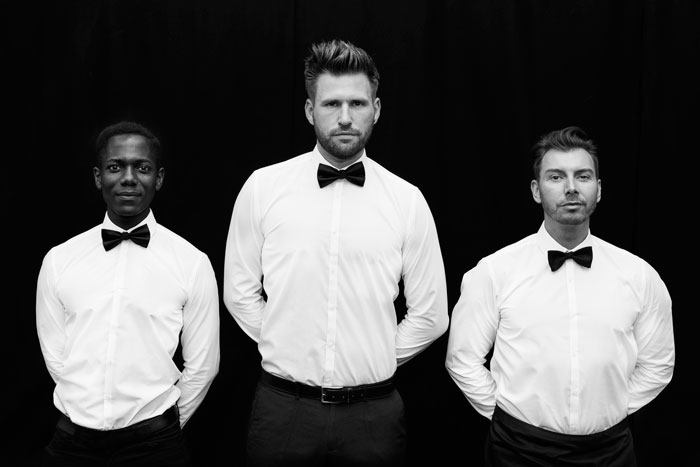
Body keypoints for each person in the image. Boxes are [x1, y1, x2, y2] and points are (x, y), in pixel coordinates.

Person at [223, 39, 449, 466]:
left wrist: (372, 354)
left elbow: (431, 314)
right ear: (310, 110)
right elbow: (239, 292)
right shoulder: (263, 187)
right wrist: (285, 342)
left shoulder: (407, 200)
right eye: (331, 104)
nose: (345, 117)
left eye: (357, 104)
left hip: (373, 416)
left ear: (376, 109)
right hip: (283, 411)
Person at [445, 126, 675, 466]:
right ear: (536, 190)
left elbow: (658, 364)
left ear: (598, 189)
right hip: (517, 450)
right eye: (556, 177)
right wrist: (507, 416)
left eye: (583, 176)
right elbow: (461, 358)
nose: (571, 188)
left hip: (610, 452)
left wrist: (612, 411)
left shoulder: (639, 275)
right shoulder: (494, 271)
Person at [36, 121, 220, 466]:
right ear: (98, 177)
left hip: (155, 446)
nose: (129, 178)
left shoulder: (192, 263)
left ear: (159, 178)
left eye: (143, 168)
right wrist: (87, 411)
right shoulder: (59, 260)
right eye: (115, 167)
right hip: (72, 443)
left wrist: (162, 428)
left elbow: (203, 366)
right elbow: (56, 356)